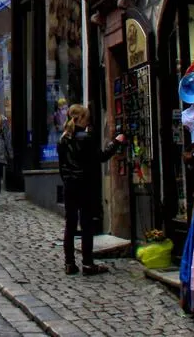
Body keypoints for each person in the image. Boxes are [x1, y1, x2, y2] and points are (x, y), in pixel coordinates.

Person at [58, 104, 124, 275]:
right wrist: (116, 143)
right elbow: (100, 157)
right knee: (86, 224)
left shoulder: (63, 139)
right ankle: (87, 263)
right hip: (85, 185)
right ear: (80, 119)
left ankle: (69, 263)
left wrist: (67, 180)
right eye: (86, 119)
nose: (88, 122)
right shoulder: (85, 138)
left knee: (70, 225)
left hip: (70, 186)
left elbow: (62, 167)